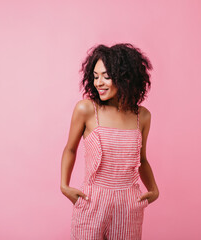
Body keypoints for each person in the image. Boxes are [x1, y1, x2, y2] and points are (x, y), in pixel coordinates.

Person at [60, 43, 159, 240]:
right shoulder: (86, 110)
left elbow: (142, 160)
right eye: (95, 76)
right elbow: (70, 149)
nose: (99, 83)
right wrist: (64, 186)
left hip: (128, 204)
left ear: (125, 77)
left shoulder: (143, 116)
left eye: (106, 76)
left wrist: (154, 189)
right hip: (92, 201)